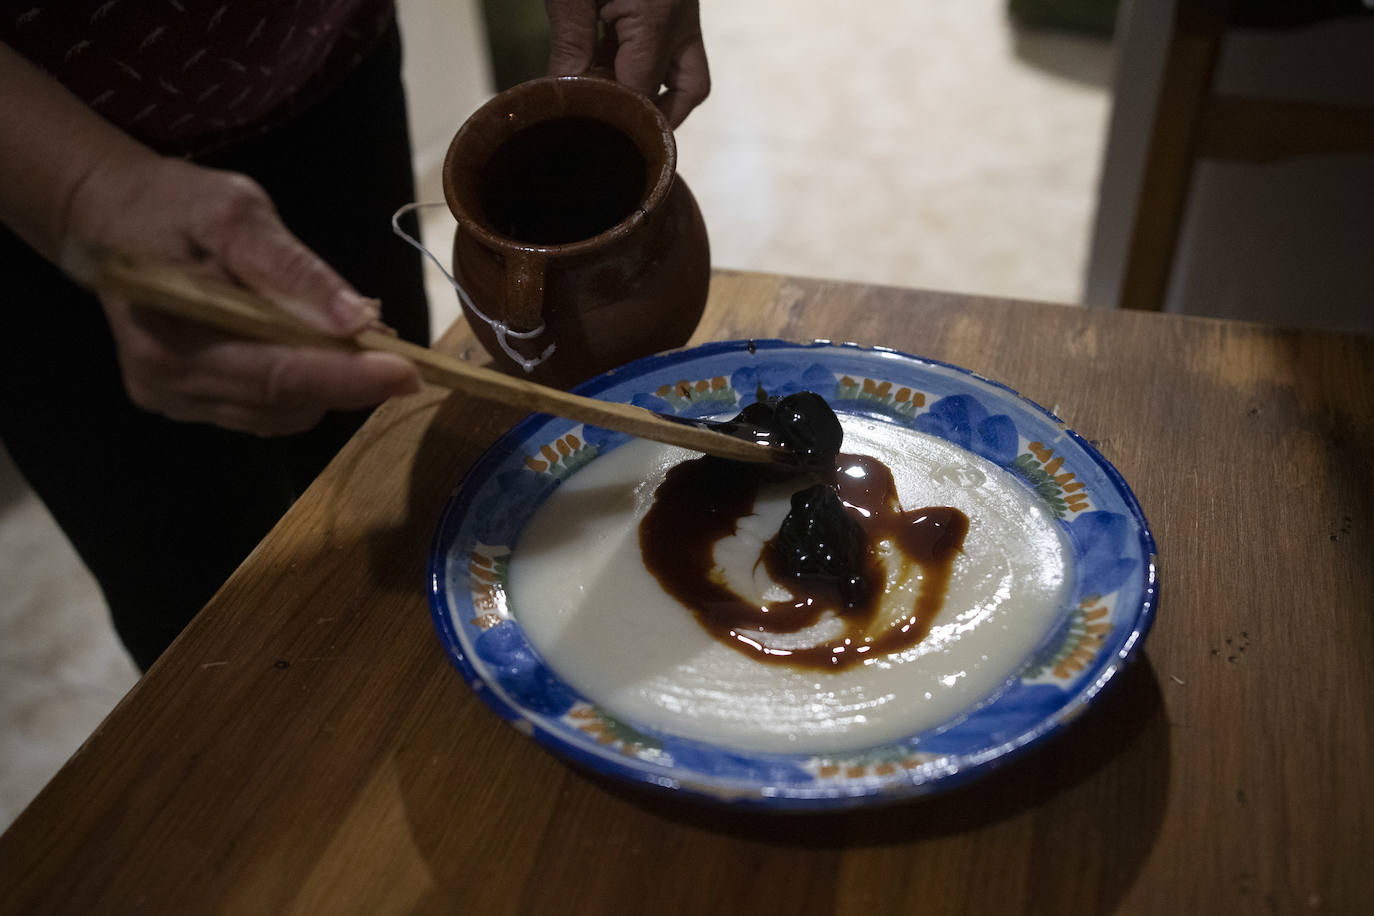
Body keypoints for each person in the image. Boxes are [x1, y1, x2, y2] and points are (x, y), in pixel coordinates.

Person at [0, 0, 709, 671]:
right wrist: (80, 191)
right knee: (191, 582)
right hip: (42, 166)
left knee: (378, 479)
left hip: (328, 67)